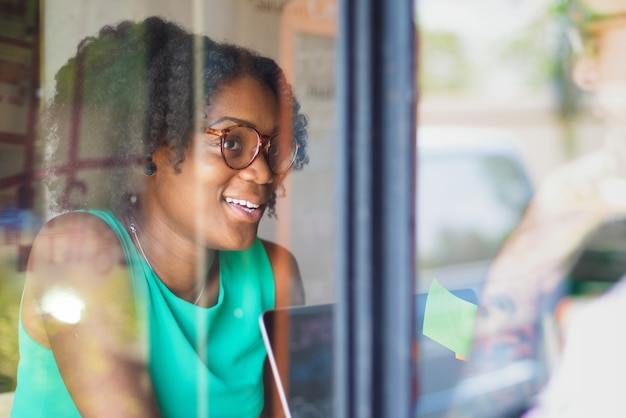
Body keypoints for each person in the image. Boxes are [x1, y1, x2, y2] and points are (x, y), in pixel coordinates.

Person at [10, 16, 309, 418]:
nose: (263, 172)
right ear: (155, 144)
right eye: (233, 142)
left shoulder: (275, 276)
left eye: (272, 150)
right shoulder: (79, 252)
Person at [453, 0, 626, 416]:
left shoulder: (580, 200)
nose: (585, 73)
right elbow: (489, 353)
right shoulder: (574, 198)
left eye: (600, 44)